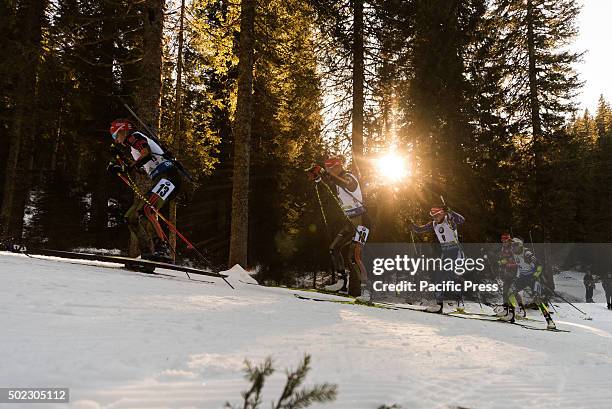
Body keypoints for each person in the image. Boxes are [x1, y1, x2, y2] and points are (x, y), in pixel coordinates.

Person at [106, 119, 182, 261]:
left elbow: (146, 154)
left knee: (147, 210)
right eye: (113, 138)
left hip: (169, 177)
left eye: (115, 136)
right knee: (131, 216)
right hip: (160, 178)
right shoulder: (132, 148)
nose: (116, 140)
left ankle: (162, 249)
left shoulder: (133, 137)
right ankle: (147, 251)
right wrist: (120, 166)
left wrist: (127, 167)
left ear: (123, 130)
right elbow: (141, 168)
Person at [308, 156, 370, 301]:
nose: (329, 171)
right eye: (327, 168)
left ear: (337, 167)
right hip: (350, 221)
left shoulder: (349, 177)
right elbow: (330, 186)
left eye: (330, 168)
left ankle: (367, 291)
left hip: (362, 220)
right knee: (334, 248)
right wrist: (318, 178)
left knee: (355, 256)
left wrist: (325, 174)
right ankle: (341, 284)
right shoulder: (335, 180)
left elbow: (349, 186)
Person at [410, 205, 465, 313]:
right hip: (445, 253)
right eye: (433, 216)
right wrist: (411, 224)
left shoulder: (449, 219)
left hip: (455, 251)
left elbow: (462, 220)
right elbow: (420, 229)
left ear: (442, 214)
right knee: (439, 277)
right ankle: (439, 305)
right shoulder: (434, 224)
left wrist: (450, 211)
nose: (435, 218)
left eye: (436, 216)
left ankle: (459, 294)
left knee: (449, 275)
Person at [502, 237, 556, 329]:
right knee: (510, 292)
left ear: (519, 246)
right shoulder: (513, 253)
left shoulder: (527, 254)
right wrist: (501, 262)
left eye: (514, 246)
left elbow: (539, 266)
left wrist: (535, 276)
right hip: (522, 277)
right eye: (511, 246)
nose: (512, 248)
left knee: (537, 299)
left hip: (533, 278)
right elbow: (509, 261)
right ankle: (511, 314)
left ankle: (550, 321)